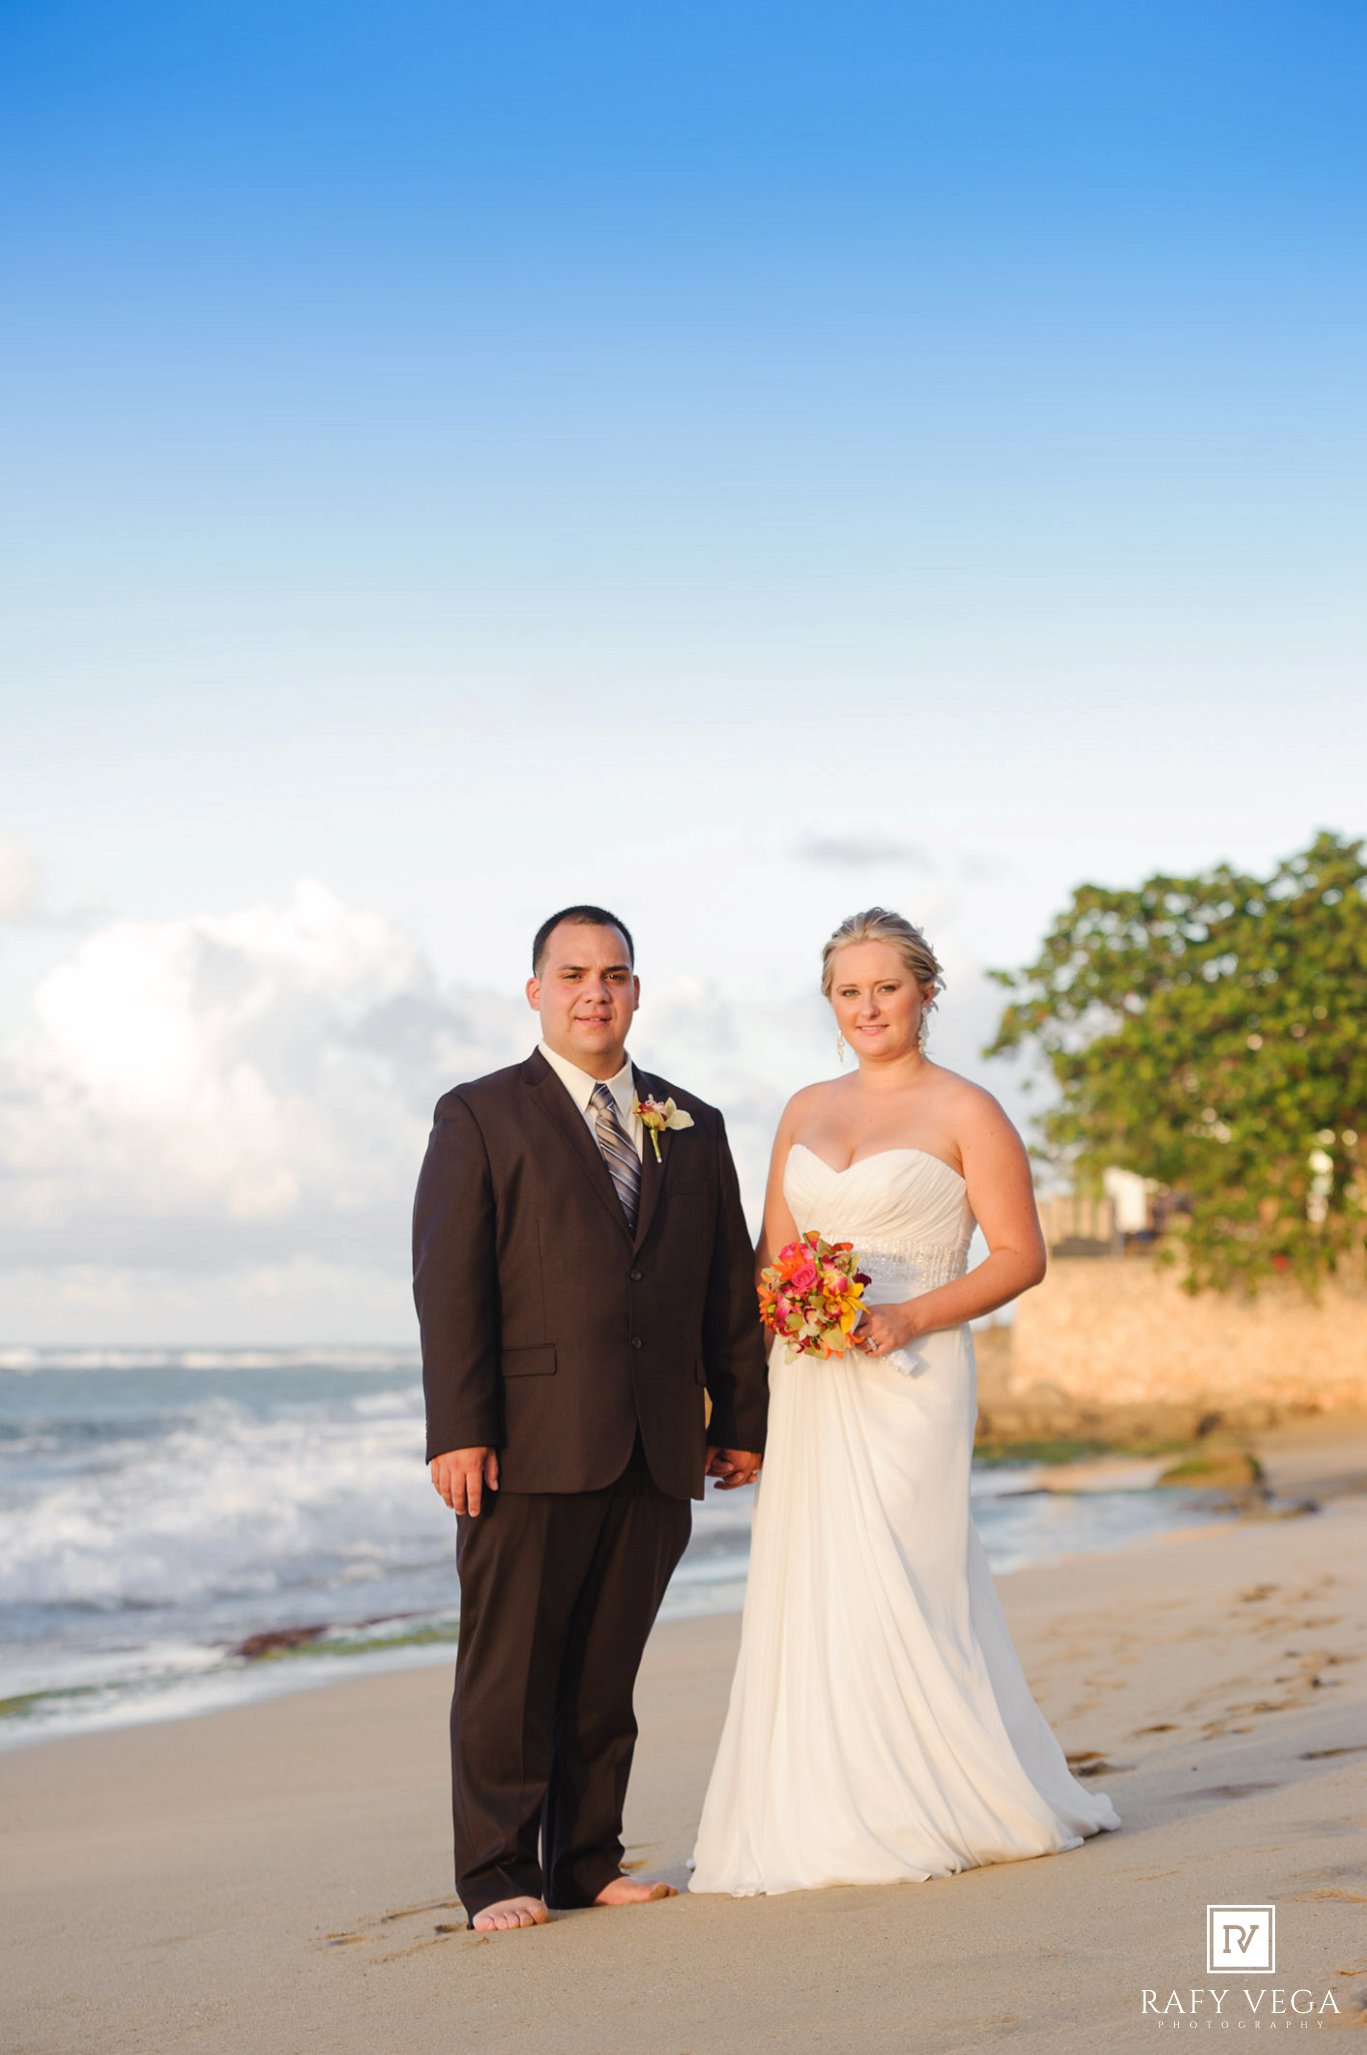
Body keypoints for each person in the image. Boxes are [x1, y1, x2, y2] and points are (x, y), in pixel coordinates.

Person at [690, 907, 1119, 1896]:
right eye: (847, 991)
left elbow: (1020, 1257)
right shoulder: (802, 1108)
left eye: (885, 987)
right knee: (813, 1580)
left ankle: (940, 1795)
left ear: (925, 990)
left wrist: (908, 1317)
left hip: (911, 1377)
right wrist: (740, 1406)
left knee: (903, 1576)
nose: (866, 1007)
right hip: (808, 1379)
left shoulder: (966, 1110)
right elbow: (770, 1264)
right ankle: (821, 1804)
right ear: (829, 1002)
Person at [414, 904, 768, 1933]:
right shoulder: (477, 1115)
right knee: (509, 1671)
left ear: (637, 992)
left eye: (612, 974)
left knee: (605, 1675)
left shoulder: (690, 1122)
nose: (593, 993)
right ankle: (495, 1875)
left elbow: (721, 1287)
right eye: (571, 975)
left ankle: (582, 1860)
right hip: (522, 1445)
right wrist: (457, 1429)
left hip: (656, 1444)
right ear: (535, 992)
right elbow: (449, 1286)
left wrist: (737, 1414)